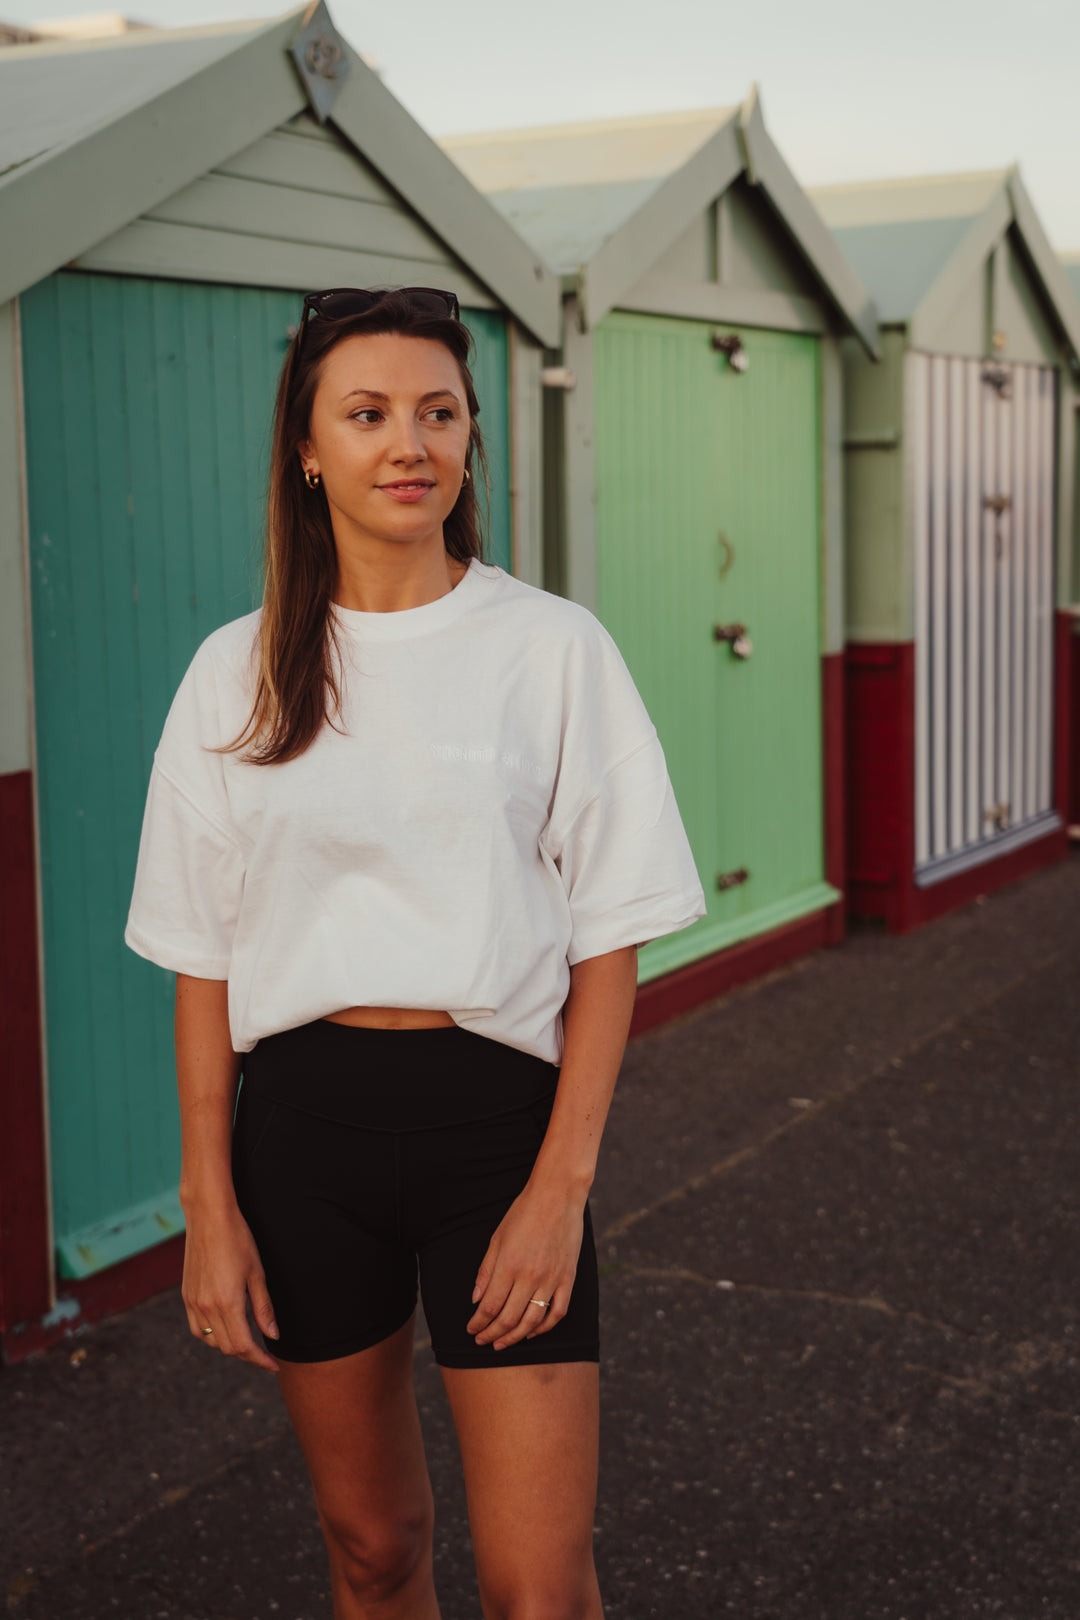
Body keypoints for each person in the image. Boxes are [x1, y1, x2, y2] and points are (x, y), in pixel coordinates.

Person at [124, 285, 707, 1620]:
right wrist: (209, 1207)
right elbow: (200, 959)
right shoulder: (235, 673)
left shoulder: (551, 650)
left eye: (439, 412)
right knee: (374, 1547)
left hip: (495, 1132)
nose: (410, 442)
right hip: (304, 1147)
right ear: (307, 447)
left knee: (537, 1587)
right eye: (371, 412)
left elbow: (610, 934)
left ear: (468, 441)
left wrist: (562, 1188)